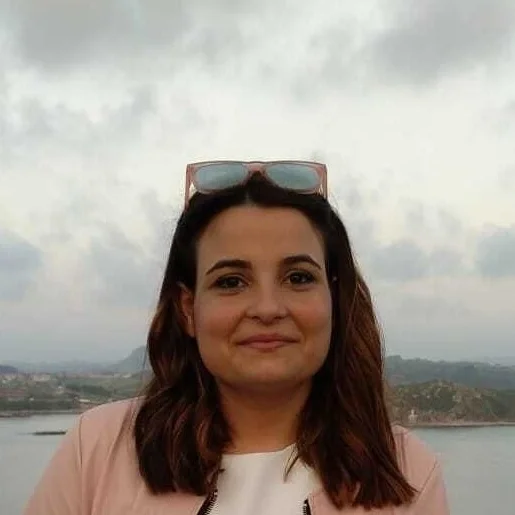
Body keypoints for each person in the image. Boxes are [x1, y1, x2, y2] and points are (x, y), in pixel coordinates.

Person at [24, 161, 450, 514]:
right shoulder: (99, 449)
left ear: (334, 300)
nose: (267, 308)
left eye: (298, 277)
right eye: (231, 282)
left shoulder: (408, 472)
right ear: (188, 310)